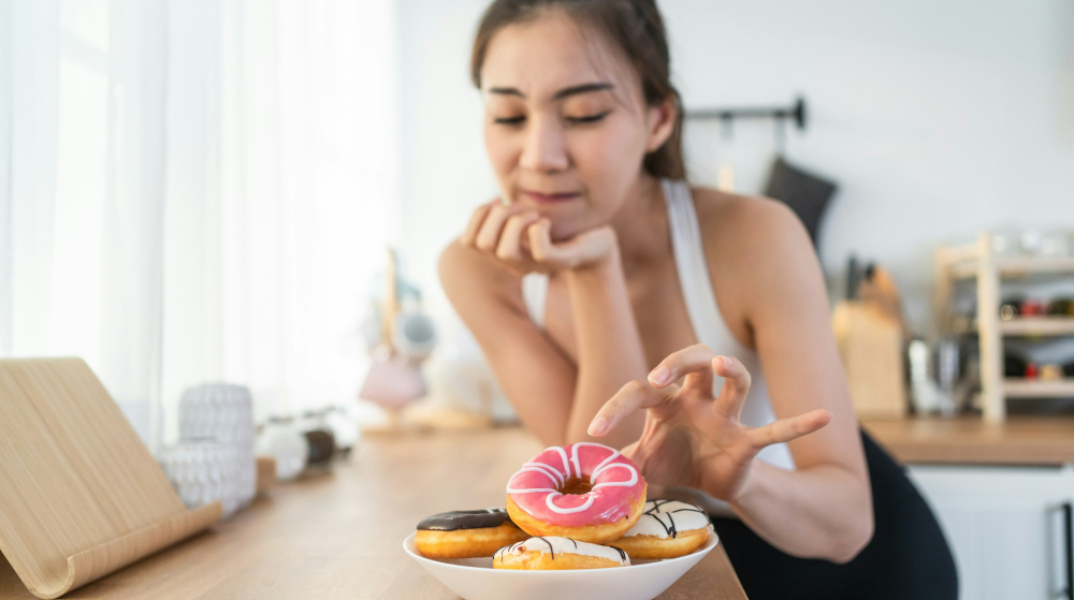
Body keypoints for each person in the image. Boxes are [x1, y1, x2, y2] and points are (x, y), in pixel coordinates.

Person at [438, 1, 957, 597]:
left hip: (832, 561)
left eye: (584, 115)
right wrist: (595, 273)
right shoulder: (475, 270)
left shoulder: (757, 237)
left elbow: (846, 524)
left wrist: (742, 479)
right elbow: (594, 495)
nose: (538, 156)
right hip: (671, 555)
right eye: (508, 116)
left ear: (659, 119)